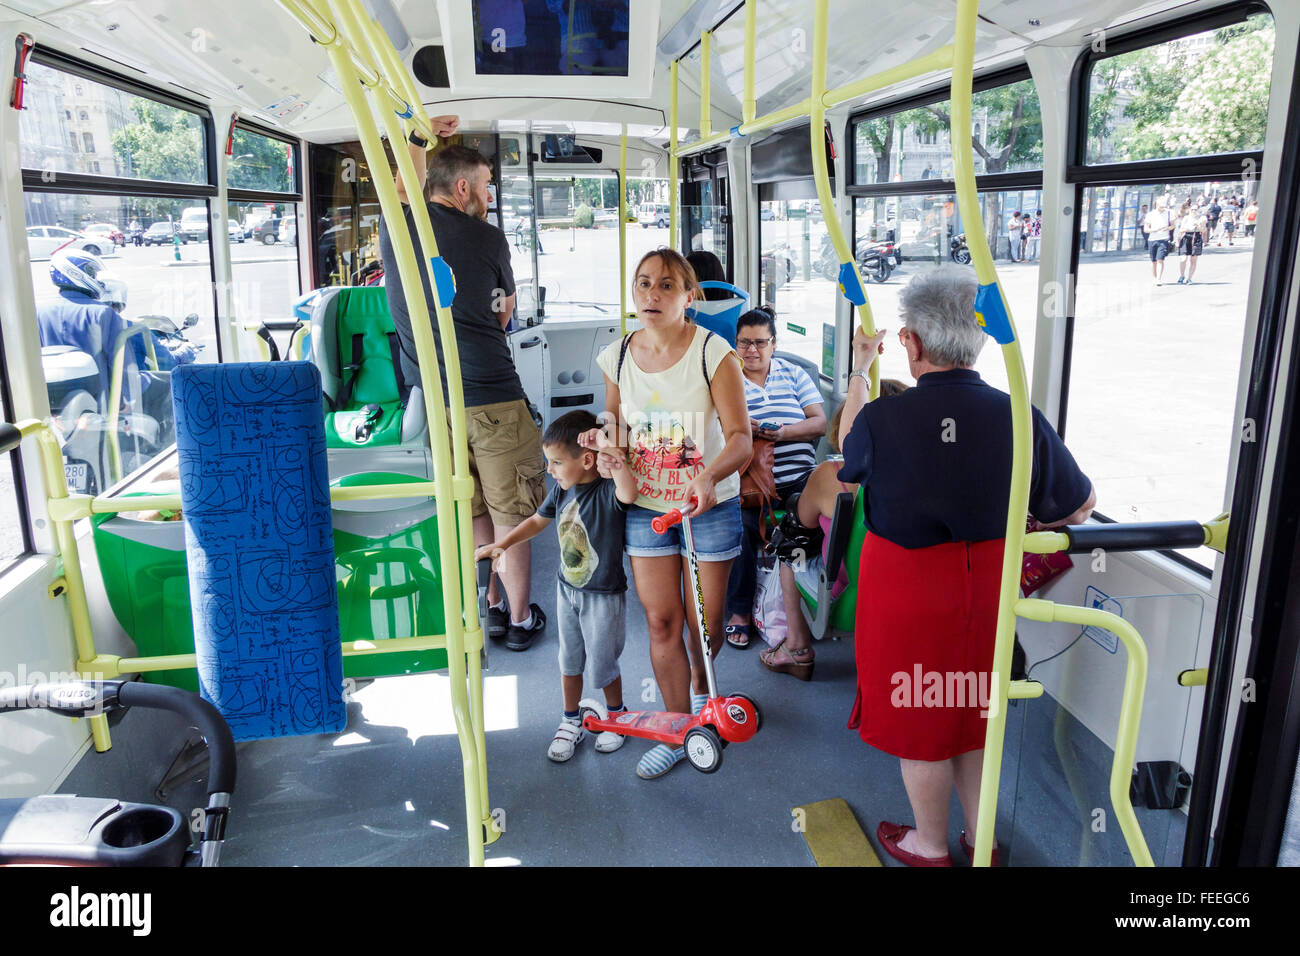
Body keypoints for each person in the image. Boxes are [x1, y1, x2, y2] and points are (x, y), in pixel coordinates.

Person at [837, 266, 1095, 866]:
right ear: (978, 339)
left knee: (921, 717)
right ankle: (984, 842)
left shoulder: (882, 419)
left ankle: (929, 845)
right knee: (975, 712)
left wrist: (858, 369)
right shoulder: (1017, 415)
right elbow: (1079, 506)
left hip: (906, 589)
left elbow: (848, 461)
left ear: (913, 343)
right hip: (988, 587)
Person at [380, 116, 549, 652]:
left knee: (474, 505)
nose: (488, 195)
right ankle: (520, 621)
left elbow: (401, 183)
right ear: (461, 188)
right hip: (493, 395)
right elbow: (505, 312)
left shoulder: (395, 229)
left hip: (434, 403)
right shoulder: (487, 238)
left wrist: (414, 137)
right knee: (514, 513)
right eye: (485, 186)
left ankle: (493, 604)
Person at [583, 248, 750, 780]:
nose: (652, 295)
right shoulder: (616, 356)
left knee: (707, 627)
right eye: (644, 284)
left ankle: (704, 699)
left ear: (688, 296)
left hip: (708, 507)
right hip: (648, 508)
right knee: (661, 621)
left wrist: (707, 476)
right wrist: (607, 446)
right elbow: (615, 424)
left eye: (667, 286)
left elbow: (742, 441)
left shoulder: (713, 353)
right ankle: (679, 729)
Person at [474, 410, 638, 762]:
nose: (550, 470)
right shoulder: (562, 490)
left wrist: (608, 444)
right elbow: (536, 521)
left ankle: (617, 717)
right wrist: (501, 544)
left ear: (588, 459)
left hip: (602, 596)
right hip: (567, 590)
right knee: (569, 660)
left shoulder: (609, 491)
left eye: (557, 462)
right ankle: (570, 719)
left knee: (603, 662)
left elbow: (629, 486)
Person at [759, 383, 906, 680]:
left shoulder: (830, 476)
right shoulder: (923, 481)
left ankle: (797, 647)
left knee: (792, 549)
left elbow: (802, 524)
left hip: (843, 596)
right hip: (902, 596)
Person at [723, 306, 825, 649]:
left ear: (773, 344)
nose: (752, 350)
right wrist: (740, 430)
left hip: (799, 480)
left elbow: (819, 423)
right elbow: (713, 430)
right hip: (749, 481)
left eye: (760, 343)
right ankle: (739, 612)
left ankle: (817, 605)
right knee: (740, 527)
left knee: (818, 524)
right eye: (744, 343)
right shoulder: (727, 379)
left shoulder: (794, 375)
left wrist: (783, 433)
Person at [1174, 200, 1206, 285]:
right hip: (1186, 237)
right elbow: (1181, 230)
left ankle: (1189, 278)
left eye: (1195, 209)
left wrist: (1198, 226)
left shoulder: (1202, 218)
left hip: (1196, 237)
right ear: (1190, 210)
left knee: (1193, 260)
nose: (1194, 211)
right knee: (1183, 259)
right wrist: (1179, 239)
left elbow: (1204, 230)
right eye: (1192, 209)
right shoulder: (1186, 218)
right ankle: (1182, 275)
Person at [1143, 197, 1174, 285]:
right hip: (1152, 239)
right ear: (1156, 204)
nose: (1162, 208)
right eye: (1161, 206)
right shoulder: (1150, 214)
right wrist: (1155, 229)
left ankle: (1159, 279)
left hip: (1164, 239)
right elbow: (1146, 229)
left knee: (1160, 259)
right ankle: (1154, 278)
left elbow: (1173, 225)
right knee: (1153, 261)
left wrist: (1167, 228)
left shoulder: (1169, 213)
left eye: (1163, 206)